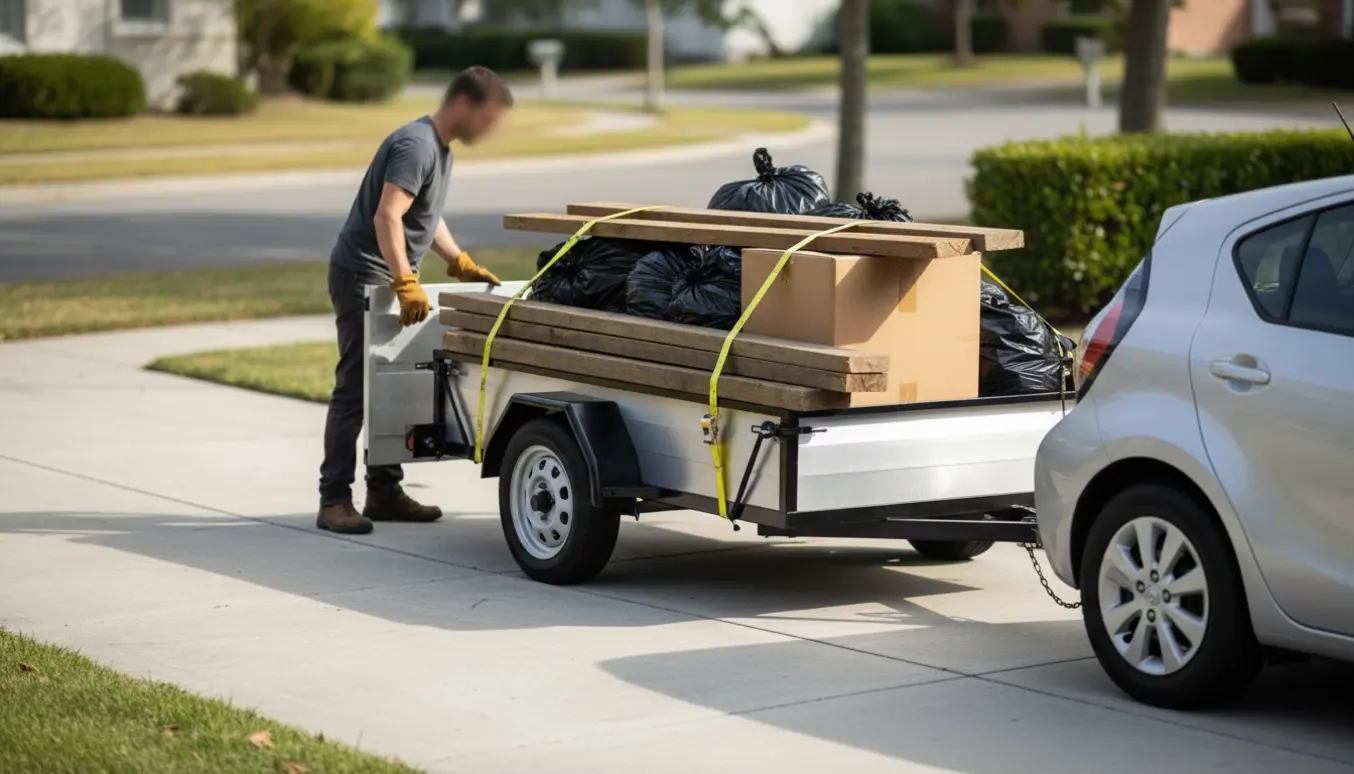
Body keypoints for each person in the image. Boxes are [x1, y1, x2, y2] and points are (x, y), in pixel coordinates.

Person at [317, 67, 513, 535]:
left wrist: (458, 261)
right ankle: (334, 500)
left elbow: (426, 213)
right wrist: (405, 281)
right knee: (357, 388)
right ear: (464, 103)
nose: (490, 130)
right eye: (488, 118)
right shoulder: (417, 144)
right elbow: (388, 217)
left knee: (391, 385)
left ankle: (383, 492)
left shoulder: (438, 148)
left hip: (388, 274)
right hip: (364, 273)